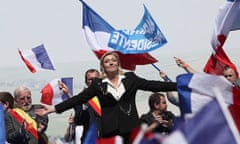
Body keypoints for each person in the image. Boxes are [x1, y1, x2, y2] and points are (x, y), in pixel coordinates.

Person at [36, 51, 177, 144]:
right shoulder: (98, 84)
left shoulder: (130, 78)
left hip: (131, 129)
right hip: (110, 131)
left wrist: (180, 85)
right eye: (106, 61)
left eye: (113, 60)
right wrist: (53, 108)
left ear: (118, 63)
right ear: (103, 66)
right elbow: (78, 99)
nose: (110, 62)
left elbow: (154, 85)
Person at [63, 68, 101, 143]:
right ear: (86, 82)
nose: (93, 81)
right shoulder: (84, 98)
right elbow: (78, 111)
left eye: (96, 78)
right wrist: (68, 94)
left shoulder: (107, 95)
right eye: (90, 79)